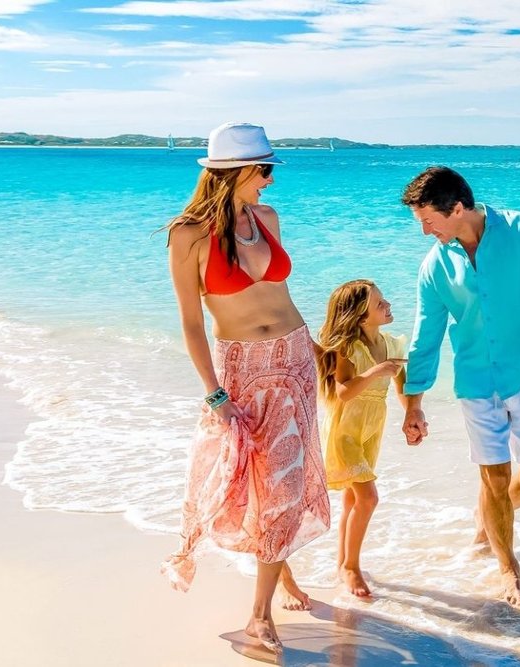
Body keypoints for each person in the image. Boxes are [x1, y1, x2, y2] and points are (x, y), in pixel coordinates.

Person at [160, 122, 330, 653]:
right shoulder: (188, 235)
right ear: (235, 171)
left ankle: (260, 616)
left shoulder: (267, 219)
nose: (270, 180)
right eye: (264, 170)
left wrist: (318, 352)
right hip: (242, 370)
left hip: (294, 362)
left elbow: (283, 295)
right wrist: (215, 395)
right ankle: (276, 582)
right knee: (243, 484)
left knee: (285, 486)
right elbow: (191, 323)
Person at [398, 166, 520, 606]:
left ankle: (489, 518)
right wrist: (413, 403)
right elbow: (426, 336)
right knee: (495, 477)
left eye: (429, 221)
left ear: (458, 208)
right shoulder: (435, 266)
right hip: (476, 382)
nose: (424, 231)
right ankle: (507, 568)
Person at [313, 279, 408, 600]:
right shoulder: (349, 349)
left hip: (371, 431)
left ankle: (342, 562)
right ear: (361, 317)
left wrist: (412, 414)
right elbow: (343, 391)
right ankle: (351, 566)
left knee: (353, 500)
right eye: (379, 303)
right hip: (346, 432)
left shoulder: (392, 344)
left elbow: (402, 387)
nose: (388, 305)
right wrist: (374, 372)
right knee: (368, 498)